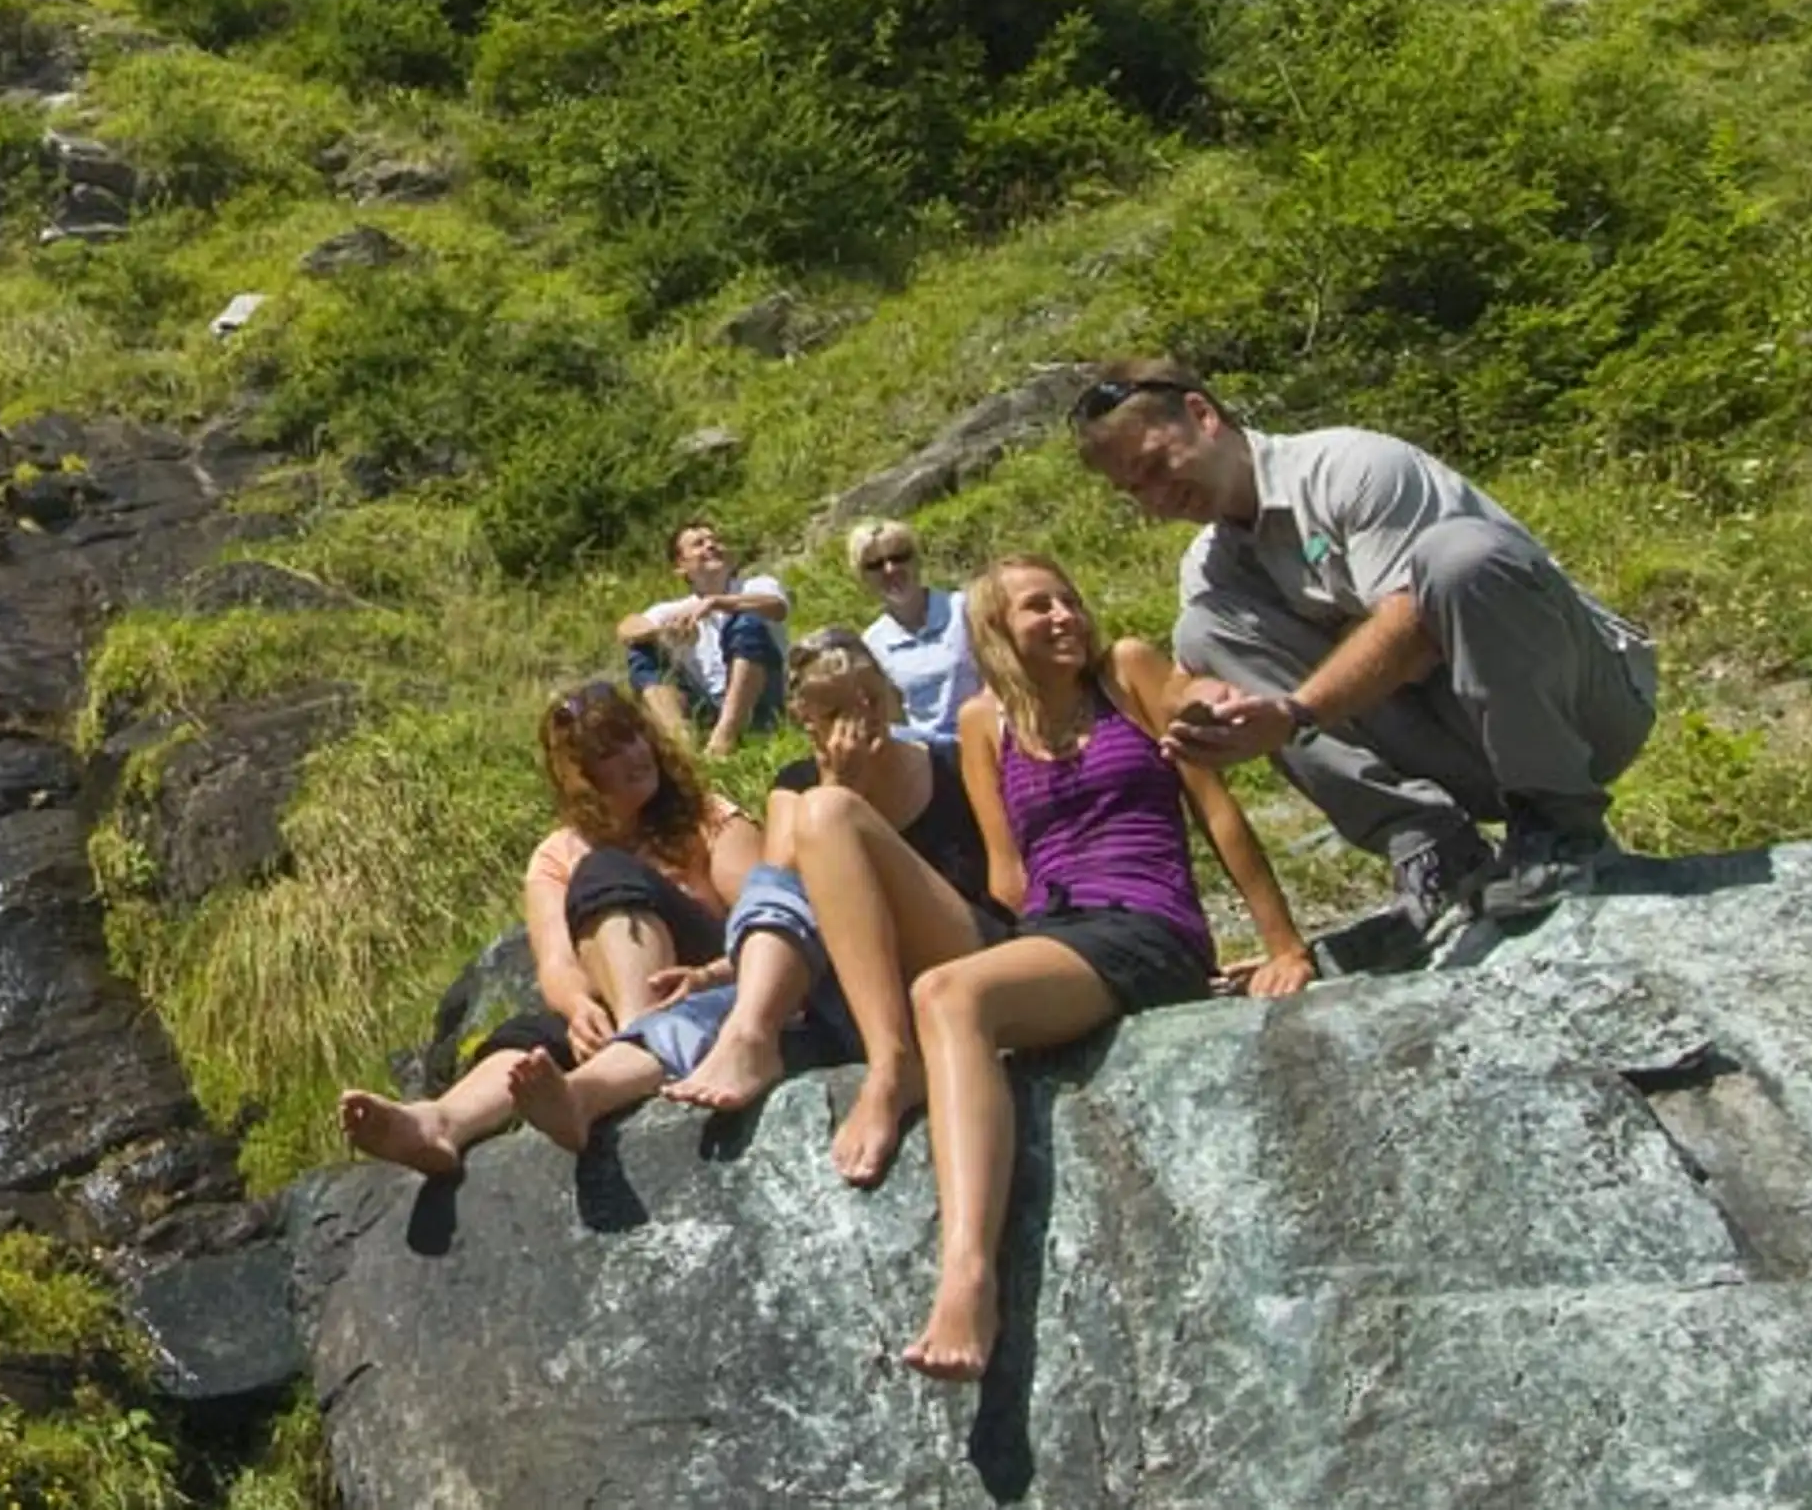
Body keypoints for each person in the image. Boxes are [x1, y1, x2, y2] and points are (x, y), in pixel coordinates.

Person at [894, 555, 1315, 1380]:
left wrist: (1285, 945)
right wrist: (1032, 967)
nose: (1063, 616)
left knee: (946, 993)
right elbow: (1006, 874)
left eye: (1067, 599)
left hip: (1147, 921)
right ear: (995, 631)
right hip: (1061, 928)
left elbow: (1219, 812)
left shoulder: (1127, 673)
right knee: (953, 996)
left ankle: (968, 1276)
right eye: (1036, 607)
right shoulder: (986, 724)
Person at [1067, 362, 1658, 933]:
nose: (1156, 497)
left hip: (1584, 716)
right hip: (1460, 744)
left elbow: (1413, 627)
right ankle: (1436, 850)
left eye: (1157, 464)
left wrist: (1293, 712)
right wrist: (1206, 703)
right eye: (1134, 489)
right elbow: (1182, 675)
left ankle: (1560, 825)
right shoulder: (1212, 563)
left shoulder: (1350, 466)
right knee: (1205, 628)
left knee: (1461, 557)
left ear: (1202, 414)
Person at [503, 634, 1006, 1158]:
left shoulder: (947, 759)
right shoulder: (796, 785)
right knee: (705, 1008)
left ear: (890, 690)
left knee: (825, 819)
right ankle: (584, 1097)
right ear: (807, 723)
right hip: (843, 982)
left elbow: (1005, 888)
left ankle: (754, 1031)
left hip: (952, 951)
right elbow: (786, 900)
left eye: (870, 699)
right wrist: (836, 780)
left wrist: (842, 799)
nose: (860, 721)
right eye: (835, 711)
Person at [337, 678, 758, 1178]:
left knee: (606, 872)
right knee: (532, 1039)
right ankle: (440, 1123)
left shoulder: (710, 818)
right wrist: (579, 1008)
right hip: (620, 996)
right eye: (609, 751)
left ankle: (626, 1055)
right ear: (581, 776)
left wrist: (709, 974)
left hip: (710, 979)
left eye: (633, 736)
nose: (634, 755)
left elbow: (767, 919)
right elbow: (556, 962)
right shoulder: (557, 855)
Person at [614, 520, 790, 755]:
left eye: (715, 541)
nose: (711, 546)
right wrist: (662, 633)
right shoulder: (675, 609)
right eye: (699, 544)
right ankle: (684, 749)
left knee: (748, 622)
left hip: (764, 698)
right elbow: (626, 629)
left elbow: (777, 607)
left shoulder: (755, 586)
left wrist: (717, 602)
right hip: (708, 706)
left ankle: (725, 737)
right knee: (643, 651)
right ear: (680, 566)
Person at [849, 517, 978, 734]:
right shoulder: (873, 643)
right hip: (930, 753)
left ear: (916, 560)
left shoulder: (965, 609)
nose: (890, 569)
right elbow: (893, 719)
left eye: (899, 557)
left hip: (986, 734)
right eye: (875, 565)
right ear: (863, 577)